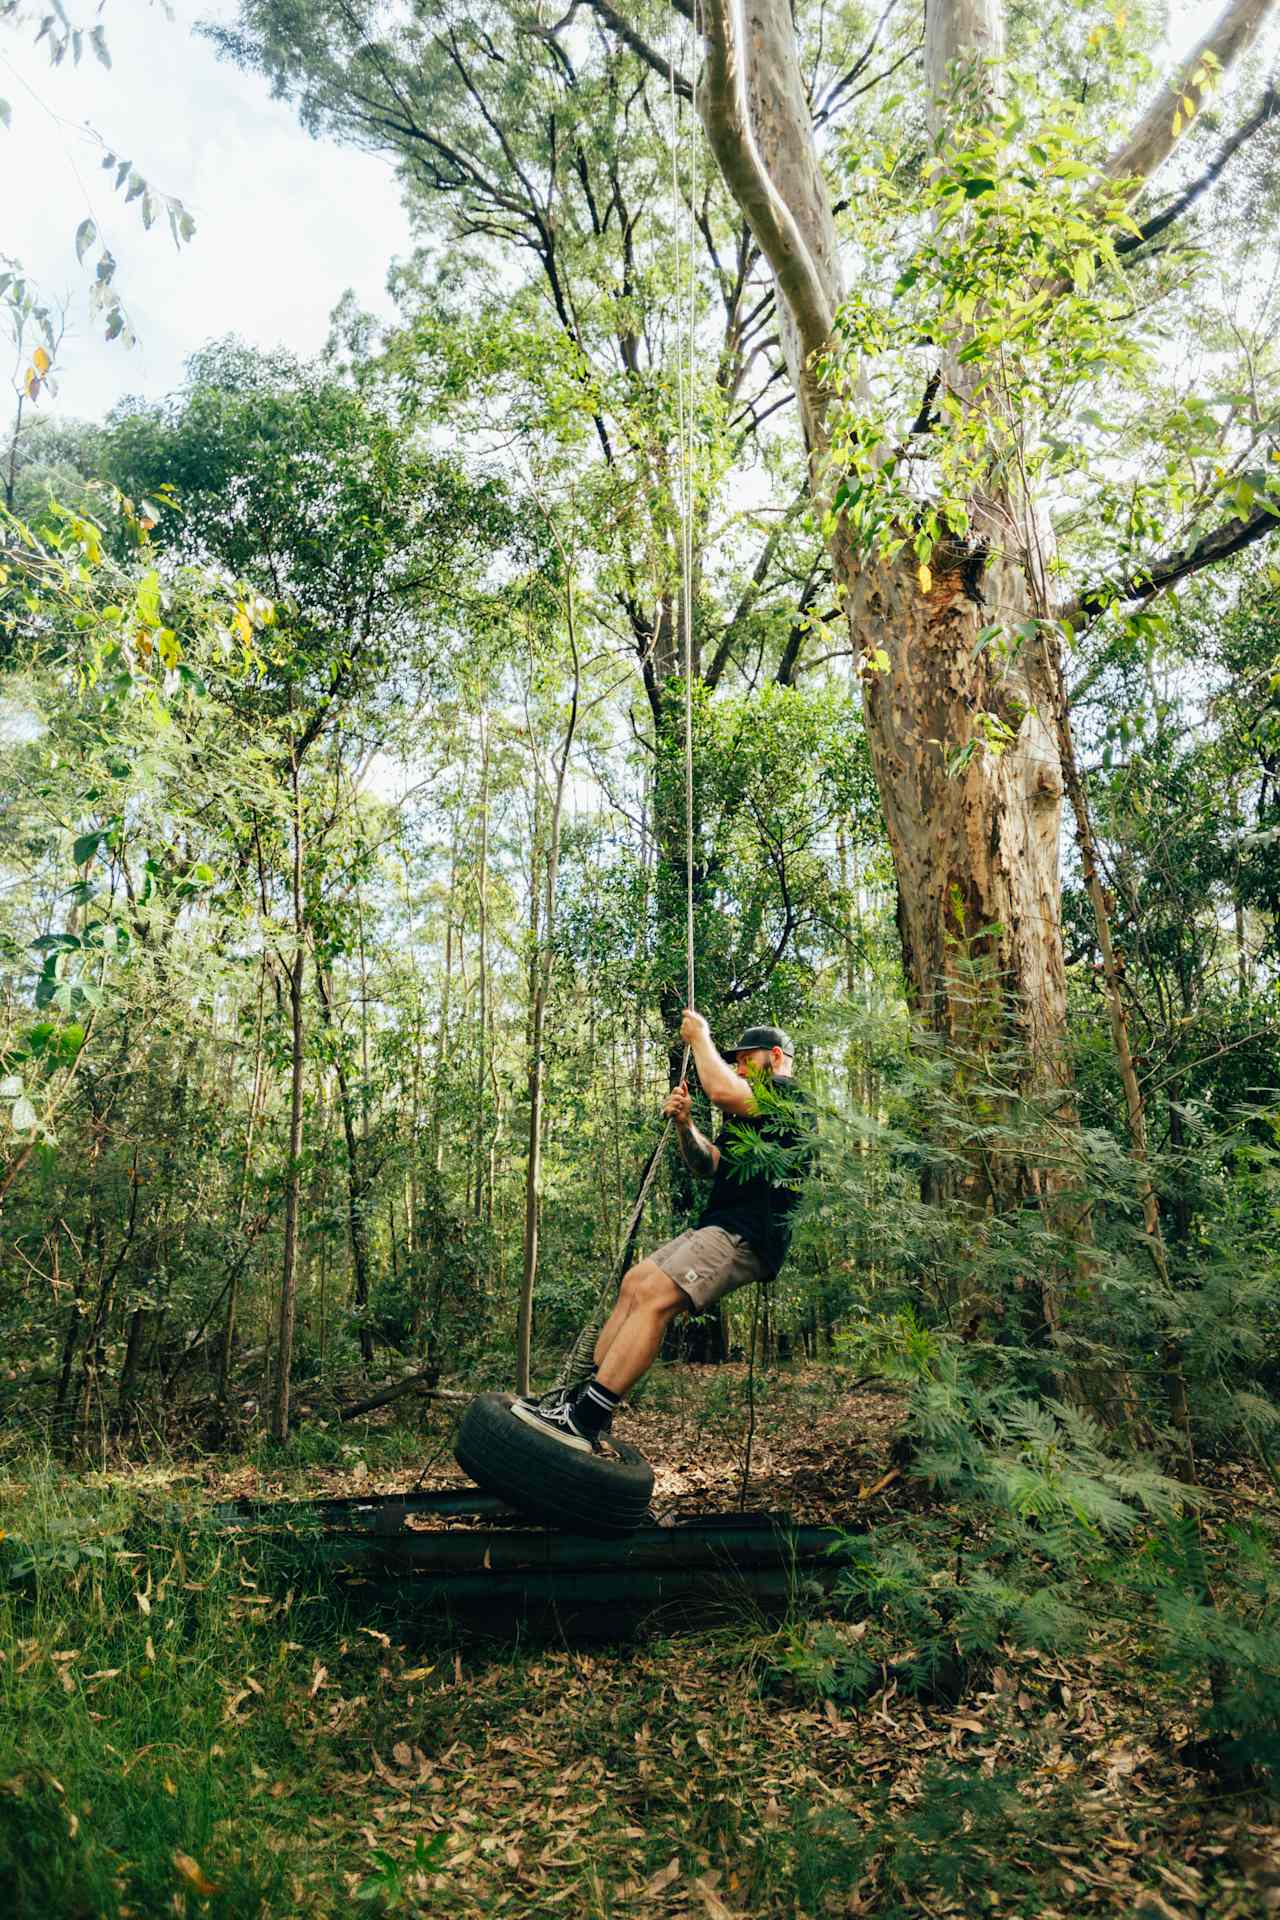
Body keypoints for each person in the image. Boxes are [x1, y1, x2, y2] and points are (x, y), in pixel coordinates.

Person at [512, 1009, 814, 1452]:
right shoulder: (749, 1114)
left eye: (745, 1060)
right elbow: (708, 1164)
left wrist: (701, 1037)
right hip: (719, 1225)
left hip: (747, 1235)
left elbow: (720, 1089)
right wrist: (686, 1124)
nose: (738, 1067)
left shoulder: (789, 1098)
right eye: (735, 1062)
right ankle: (574, 1402)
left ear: (775, 1056)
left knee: (655, 1299)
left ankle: (588, 1417)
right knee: (637, 1283)